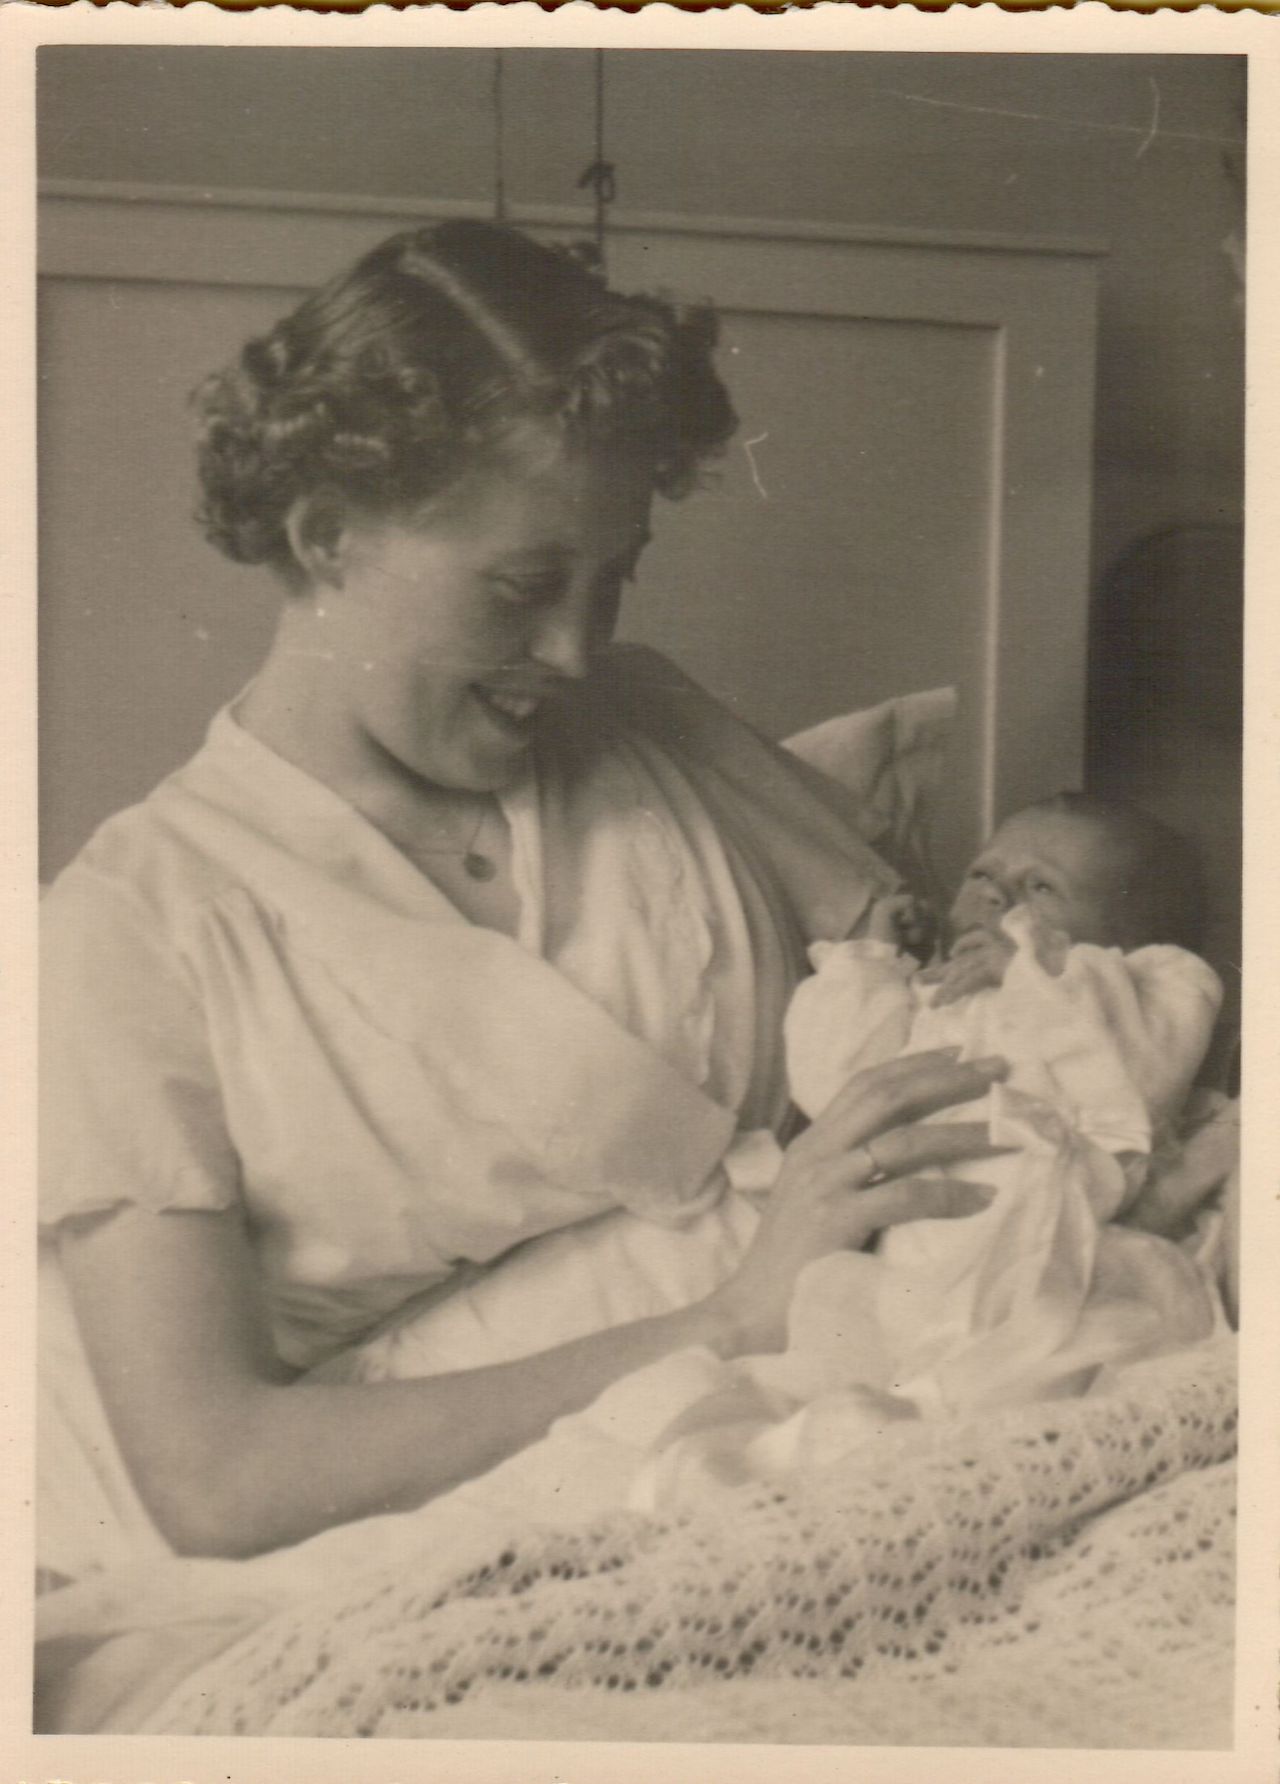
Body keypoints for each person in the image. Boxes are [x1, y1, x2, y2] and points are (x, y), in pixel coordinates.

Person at [38, 219, 1012, 1585]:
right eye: (521, 588)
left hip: (805, 1418)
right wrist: (732, 1316)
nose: (574, 650)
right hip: (378, 1538)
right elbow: (217, 1479)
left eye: (612, 582)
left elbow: (924, 984)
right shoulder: (131, 930)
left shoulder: (650, 720)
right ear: (326, 538)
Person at [616, 793, 1228, 1510]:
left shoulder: (1152, 984)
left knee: (1057, 1371)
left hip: (1062, 1250)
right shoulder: (930, 999)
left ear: (1124, 936)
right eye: (983, 874)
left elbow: (1140, 1073)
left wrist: (1039, 967)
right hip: (909, 1271)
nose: (998, 894)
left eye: (1040, 888)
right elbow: (831, 1079)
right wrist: (868, 966)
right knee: (822, 1385)